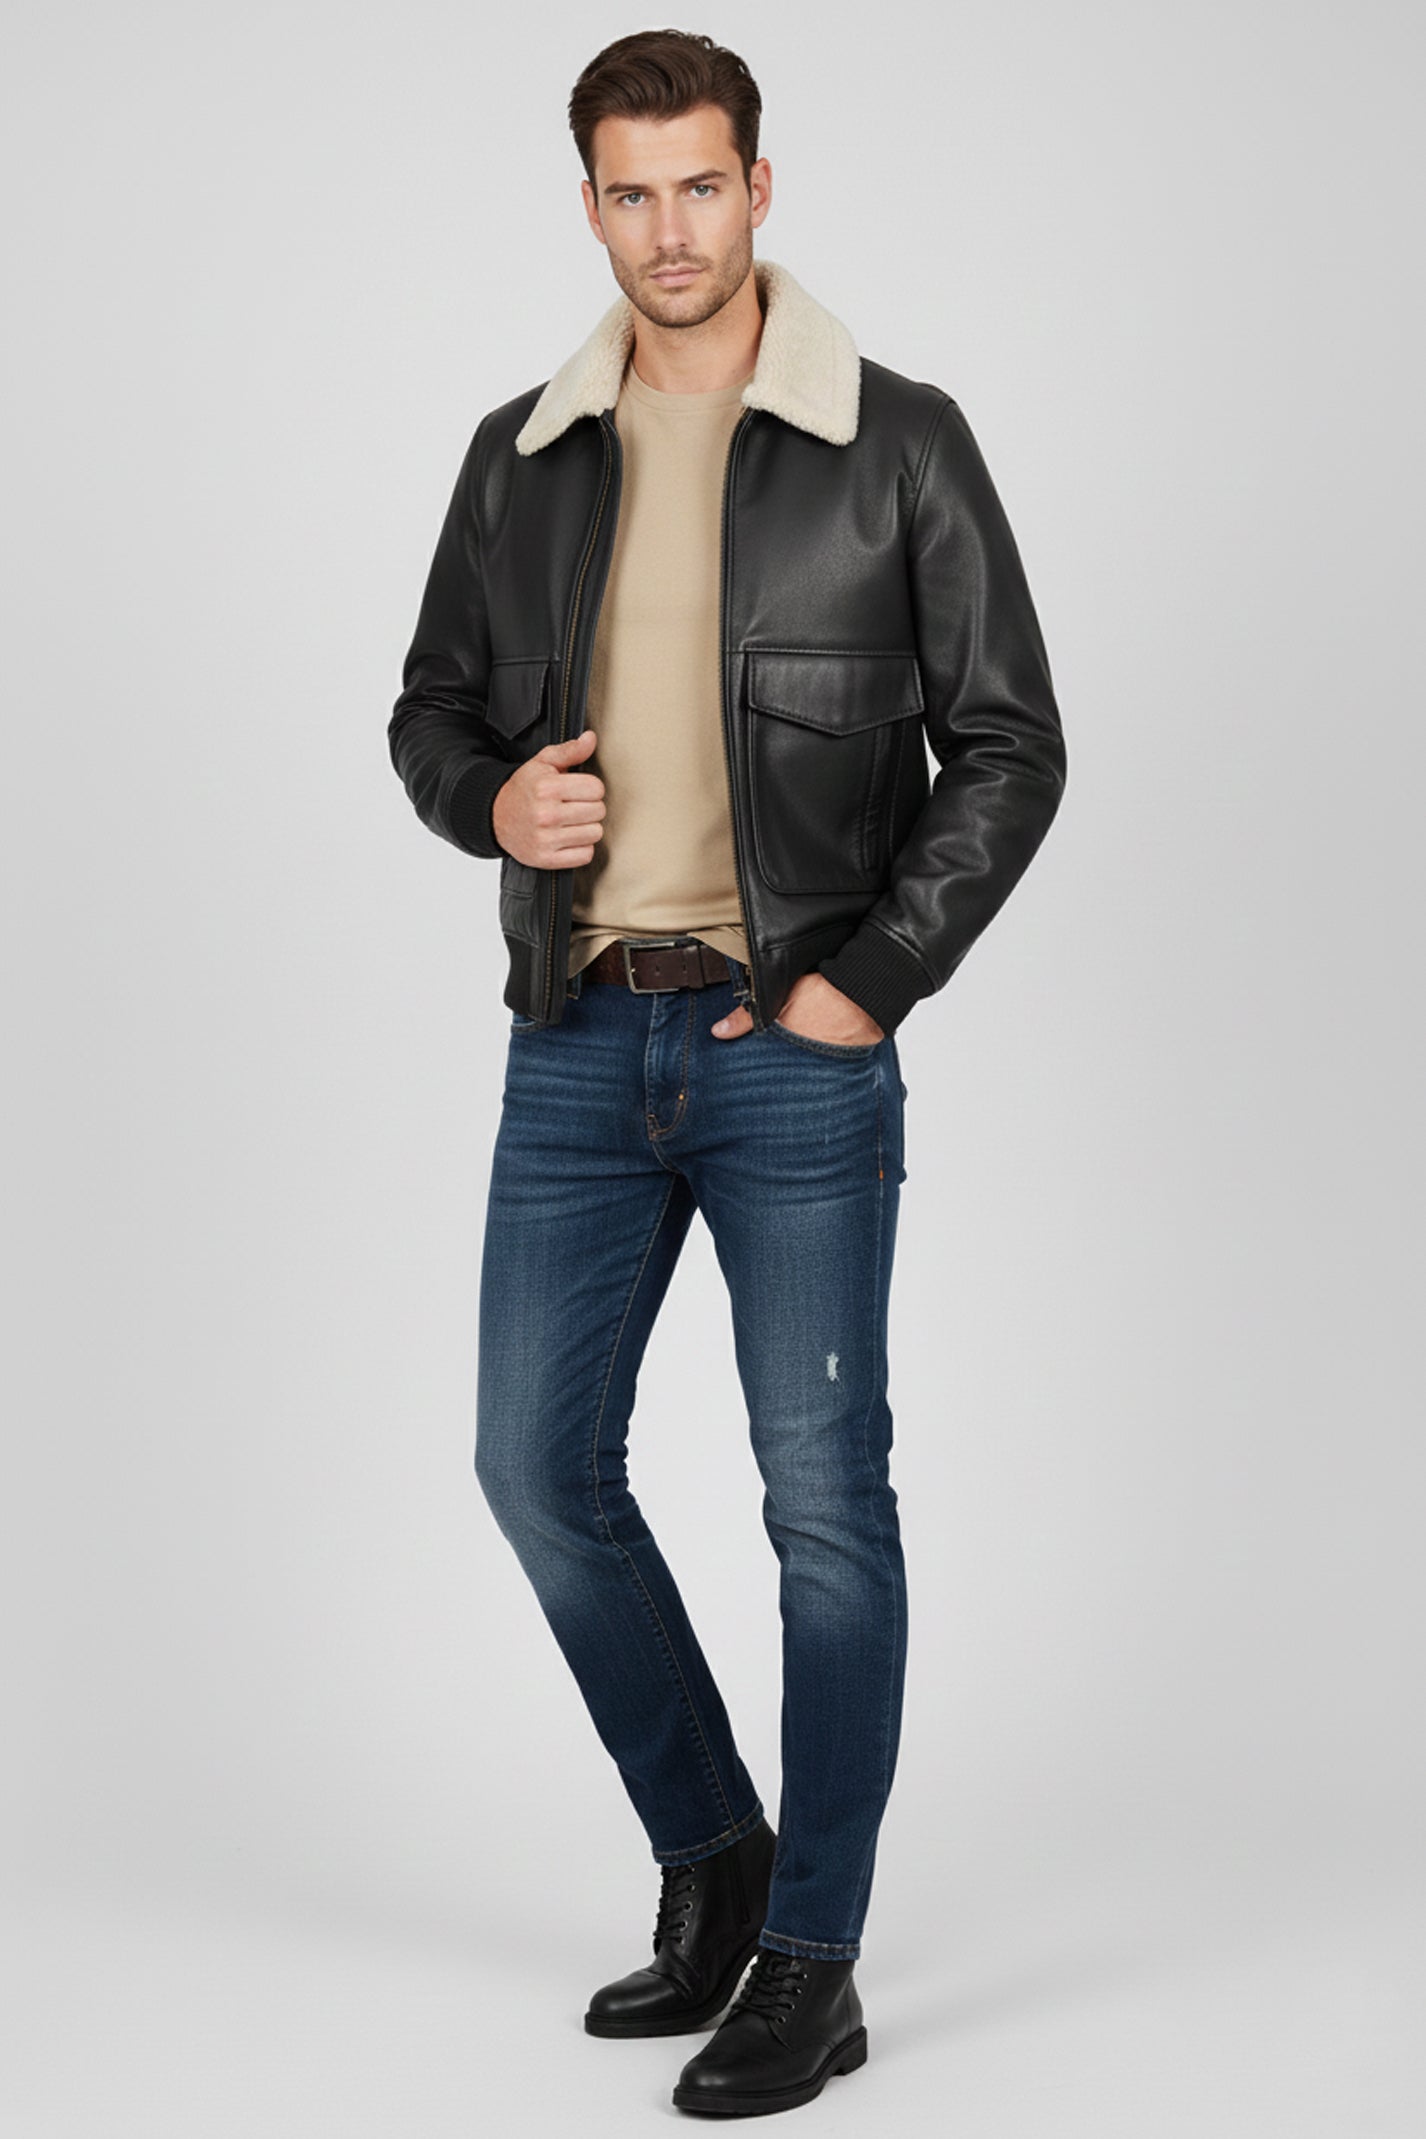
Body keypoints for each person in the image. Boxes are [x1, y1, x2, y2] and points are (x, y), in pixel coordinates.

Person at [387, 26, 1066, 2119]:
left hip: (791, 1047)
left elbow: (1009, 742)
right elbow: (428, 713)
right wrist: (491, 802)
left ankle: (814, 1958)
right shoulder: (519, 455)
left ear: (759, 188)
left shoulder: (895, 441)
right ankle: (715, 1855)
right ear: (588, 204)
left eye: (700, 184)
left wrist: (872, 979)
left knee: (821, 1506)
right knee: (532, 1468)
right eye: (630, 191)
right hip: (578, 1040)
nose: (667, 228)